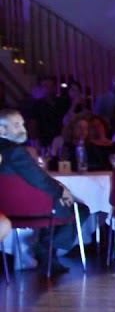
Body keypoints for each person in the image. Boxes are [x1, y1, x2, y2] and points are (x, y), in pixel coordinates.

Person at [0, 109, 88, 275]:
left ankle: (47, 251)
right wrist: (61, 191)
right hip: (29, 207)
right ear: (1, 129)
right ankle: (47, 247)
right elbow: (40, 179)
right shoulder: (16, 151)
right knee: (80, 209)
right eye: (16, 125)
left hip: (5, 209)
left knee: (68, 204)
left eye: (23, 124)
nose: (23, 129)